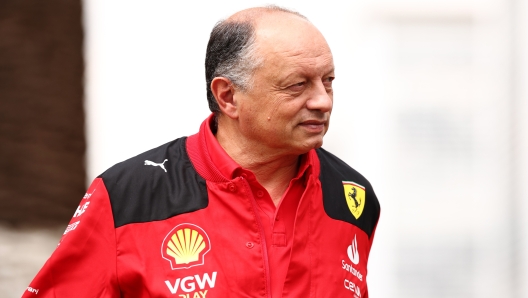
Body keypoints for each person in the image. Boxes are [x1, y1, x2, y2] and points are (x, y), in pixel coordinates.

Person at [23, 6, 380, 298]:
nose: (322, 101)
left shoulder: (352, 196)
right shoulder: (127, 196)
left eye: (328, 81)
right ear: (228, 96)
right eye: (297, 85)